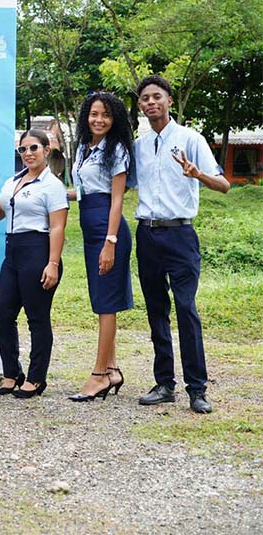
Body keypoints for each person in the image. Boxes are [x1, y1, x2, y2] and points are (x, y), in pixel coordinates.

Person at [133, 74, 230, 414]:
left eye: (157, 96)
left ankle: (197, 389)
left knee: (186, 308)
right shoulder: (139, 146)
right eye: (145, 98)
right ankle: (164, 384)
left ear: (169, 101)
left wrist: (197, 174)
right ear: (140, 105)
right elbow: (119, 184)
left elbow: (224, 185)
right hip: (146, 234)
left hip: (180, 235)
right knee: (156, 309)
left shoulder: (191, 139)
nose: (151, 102)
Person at [0, 130, 69, 398]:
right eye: (23, 149)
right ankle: (12, 373)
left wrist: (52, 263)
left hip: (37, 251)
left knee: (37, 317)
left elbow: (58, 228)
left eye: (33, 148)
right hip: (13, 251)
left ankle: (36, 378)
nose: (28, 153)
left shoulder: (52, 186)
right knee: (2, 310)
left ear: (46, 150)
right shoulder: (13, 181)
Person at [67, 92, 134, 402]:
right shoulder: (83, 148)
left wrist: (111, 241)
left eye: (106, 114)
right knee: (100, 299)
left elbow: (117, 199)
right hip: (89, 226)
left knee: (106, 303)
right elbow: (84, 191)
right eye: (94, 113)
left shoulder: (116, 149)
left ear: (114, 118)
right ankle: (112, 369)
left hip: (108, 229)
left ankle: (98, 376)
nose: (99, 119)